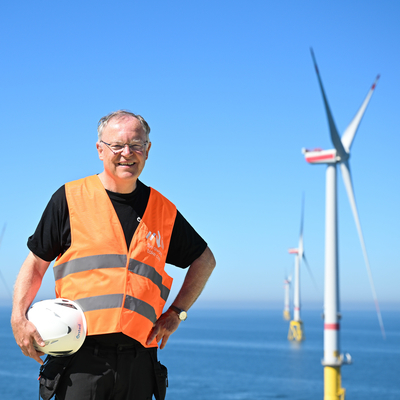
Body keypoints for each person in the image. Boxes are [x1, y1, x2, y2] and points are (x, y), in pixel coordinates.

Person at [11, 110, 216, 400]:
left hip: (140, 361)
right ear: (99, 149)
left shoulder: (163, 210)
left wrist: (177, 313)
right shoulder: (70, 198)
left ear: (148, 150)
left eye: (137, 145)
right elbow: (35, 264)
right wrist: (18, 318)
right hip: (80, 361)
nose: (127, 154)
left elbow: (205, 260)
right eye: (117, 145)